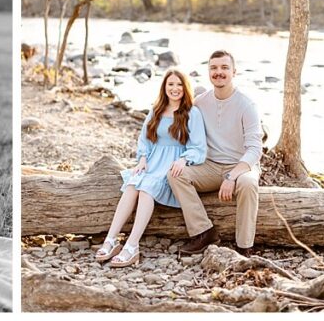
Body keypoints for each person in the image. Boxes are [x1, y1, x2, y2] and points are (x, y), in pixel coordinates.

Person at [95, 69, 206, 267]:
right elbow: (145, 139)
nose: (175, 88)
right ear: (164, 87)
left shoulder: (192, 113)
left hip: (172, 165)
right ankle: (111, 240)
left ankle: (132, 246)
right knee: (132, 185)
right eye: (170, 84)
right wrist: (143, 159)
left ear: (185, 88)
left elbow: (198, 147)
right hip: (152, 162)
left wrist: (184, 160)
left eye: (179, 85)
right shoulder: (156, 110)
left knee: (146, 190)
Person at [168, 50, 263, 256]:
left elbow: (255, 149)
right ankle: (204, 232)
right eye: (214, 68)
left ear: (234, 72)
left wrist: (232, 176)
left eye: (224, 68)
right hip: (210, 166)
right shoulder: (200, 102)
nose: (218, 72)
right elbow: (177, 119)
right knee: (176, 174)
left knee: (248, 183)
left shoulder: (247, 105)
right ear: (209, 71)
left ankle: (244, 246)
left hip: (241, 166)